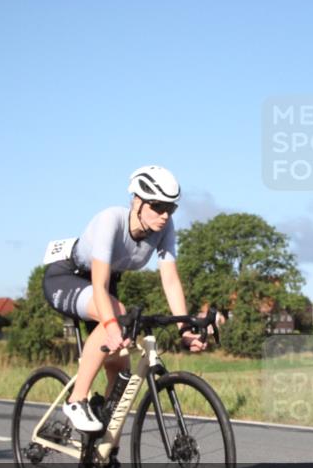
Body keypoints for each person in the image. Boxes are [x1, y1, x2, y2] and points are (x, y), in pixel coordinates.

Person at [42, 165, 206, 435]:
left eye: (171, 209)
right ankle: (75, 400)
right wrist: (110, 324)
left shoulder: (163, 228)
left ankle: (106, 460)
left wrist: (184, 329)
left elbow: (170, 279)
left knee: (121, 379)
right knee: (117, 316)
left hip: (105, 286)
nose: (164, 215)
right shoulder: (111, 220)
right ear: (137, 201)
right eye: (157, 206)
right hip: (67, 277)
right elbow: (99, 283)